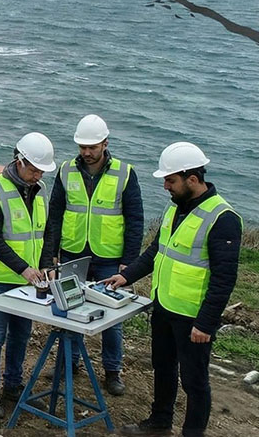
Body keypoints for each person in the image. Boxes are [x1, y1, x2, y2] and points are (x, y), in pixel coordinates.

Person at [104, 142, 241, 437]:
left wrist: (206, 323)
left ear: (192, 179)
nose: (165, 186)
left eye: (170, 180)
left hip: (193, 317)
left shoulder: (223, 218)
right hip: (165, 306)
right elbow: (156, 251)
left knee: (194, 381)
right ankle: (160, 422)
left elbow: (224, 279)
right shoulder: (175, 207)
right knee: (163, 368)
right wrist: (126, 277)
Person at [41, 114, 143, 395]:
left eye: (92, 147)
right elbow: (55, 215)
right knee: (69, 309)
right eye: (82, 147)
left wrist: (128, 262)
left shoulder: (124, 173)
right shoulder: (66, 170)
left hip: (110, 257)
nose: (86, 152)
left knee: (112, 317)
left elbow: (135, 219)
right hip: (73, 252)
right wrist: (51, 254)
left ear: (105, 144)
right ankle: (69, 364)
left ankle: (112, 370)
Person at [0, 132, 55, 418]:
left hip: (29, 279)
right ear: (19, 161)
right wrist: (23, 267)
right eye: (33, 169)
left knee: (21, 335)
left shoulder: (40, 189)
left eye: (41, 171)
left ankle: (12, 385)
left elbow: (46, 231)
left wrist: (45, 263)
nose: (37, 175)